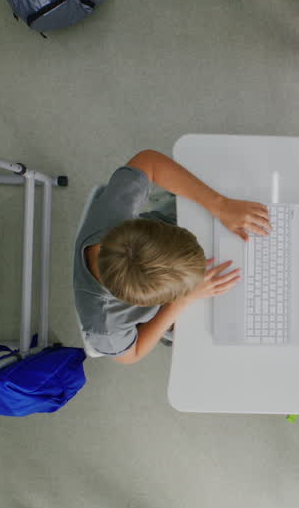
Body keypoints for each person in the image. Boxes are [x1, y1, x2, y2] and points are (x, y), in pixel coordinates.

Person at [74, 148, 270, 362]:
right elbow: (131, 355)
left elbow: (148, 160)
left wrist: (220, 205)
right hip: (172, 310)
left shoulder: (114, 217)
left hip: (183, 239)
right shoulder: (105, 325)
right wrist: (183, 301)